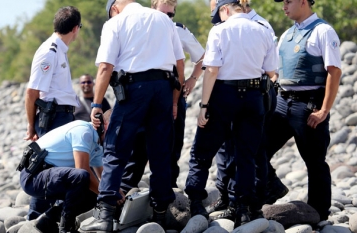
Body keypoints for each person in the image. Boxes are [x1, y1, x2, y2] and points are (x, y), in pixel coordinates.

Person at [80, 0, 185, 231]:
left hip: (134, 90)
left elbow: (105, 67)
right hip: (163, 89)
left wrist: (97, 103)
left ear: (115, 8)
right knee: (160, 152)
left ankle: (105, 215)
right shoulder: (162, 19)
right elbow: (180, 62)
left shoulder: (115, 23)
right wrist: (175, 100)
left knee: (116, 148)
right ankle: (160, 213)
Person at [184, 0, 277, 227]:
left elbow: (212, 69)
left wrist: (204, 106)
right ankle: (243, 209)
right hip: (254, 96)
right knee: (246, 155)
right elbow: (271, 71)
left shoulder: (219, 30)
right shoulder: (263, 30)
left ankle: (196, 202)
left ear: (225, 9)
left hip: (224, 94)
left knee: (202, 151)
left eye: (219, 14)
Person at [265, 0, 342, 221]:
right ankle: (272, 189)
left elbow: (334, 71)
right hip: (282, 102)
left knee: (314, 161)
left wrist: (324, 110)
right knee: (258, 148)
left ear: (303, 1)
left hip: (308, 105)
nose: (284, 6)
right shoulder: (288, 34)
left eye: (288, 1)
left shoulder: (323, 31)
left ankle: (319, 213)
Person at [208, 0, 283, 220]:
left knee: (251, 150)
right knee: (228, 149)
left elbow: (271, 69)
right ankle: (229, 195)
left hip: (254, 92)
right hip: (239, 93)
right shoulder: (226, 27)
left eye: (217, 6)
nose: (214, 10)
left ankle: (252, 202)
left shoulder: (260, 25)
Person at [120, 0, 205, 193]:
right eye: (163, 13)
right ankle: (124, 193)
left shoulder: (178, 30)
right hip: (143, 93)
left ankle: (167, 195)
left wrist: (192, 79)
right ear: (152, 10)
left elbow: (202, 57)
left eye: (171, 15)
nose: (167, 18)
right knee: (138, 147)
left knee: (171, 147)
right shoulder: (140, 28)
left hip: (172, 90)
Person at [23, 6, 82, 220]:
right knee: (49, 166)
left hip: (61, 114)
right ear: (75, 28)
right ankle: (35, 218)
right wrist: (31, 127)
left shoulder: (59, 49)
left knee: (62, 166)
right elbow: (31, 92)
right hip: (54, 116)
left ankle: (51, 217)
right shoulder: (50, 51)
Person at [19, 110, 111, 233]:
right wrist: (107, 197)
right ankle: (66, 228)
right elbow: (82, 169)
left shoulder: (97, 144)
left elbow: (103, 179)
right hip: (33, 176)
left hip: (50, 175)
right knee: (82, 176)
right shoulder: (84, 131)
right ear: (105, 124)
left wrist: (116, 193)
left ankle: (49, 220)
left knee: (93, 194)